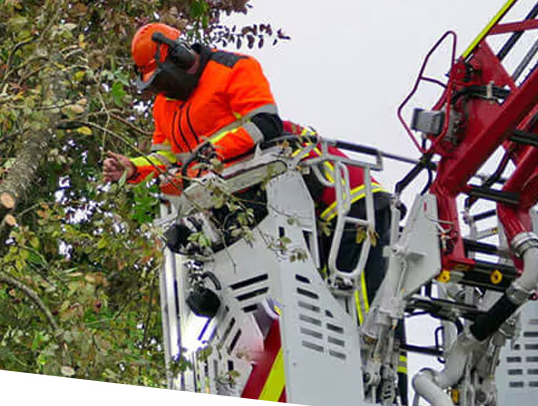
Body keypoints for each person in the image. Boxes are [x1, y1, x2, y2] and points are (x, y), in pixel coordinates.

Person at [102, 22, 393, 316]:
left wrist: (214, 154)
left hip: (349, 203)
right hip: (294, 212)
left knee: (362, 315)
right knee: (322, 307)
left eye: (162, 81)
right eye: (154, 86)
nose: (161, 92)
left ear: (181, 57)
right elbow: (167, 162)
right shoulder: (164, 107)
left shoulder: (232, 69)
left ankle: (391, 364)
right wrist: (133, 168)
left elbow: (266, 124)